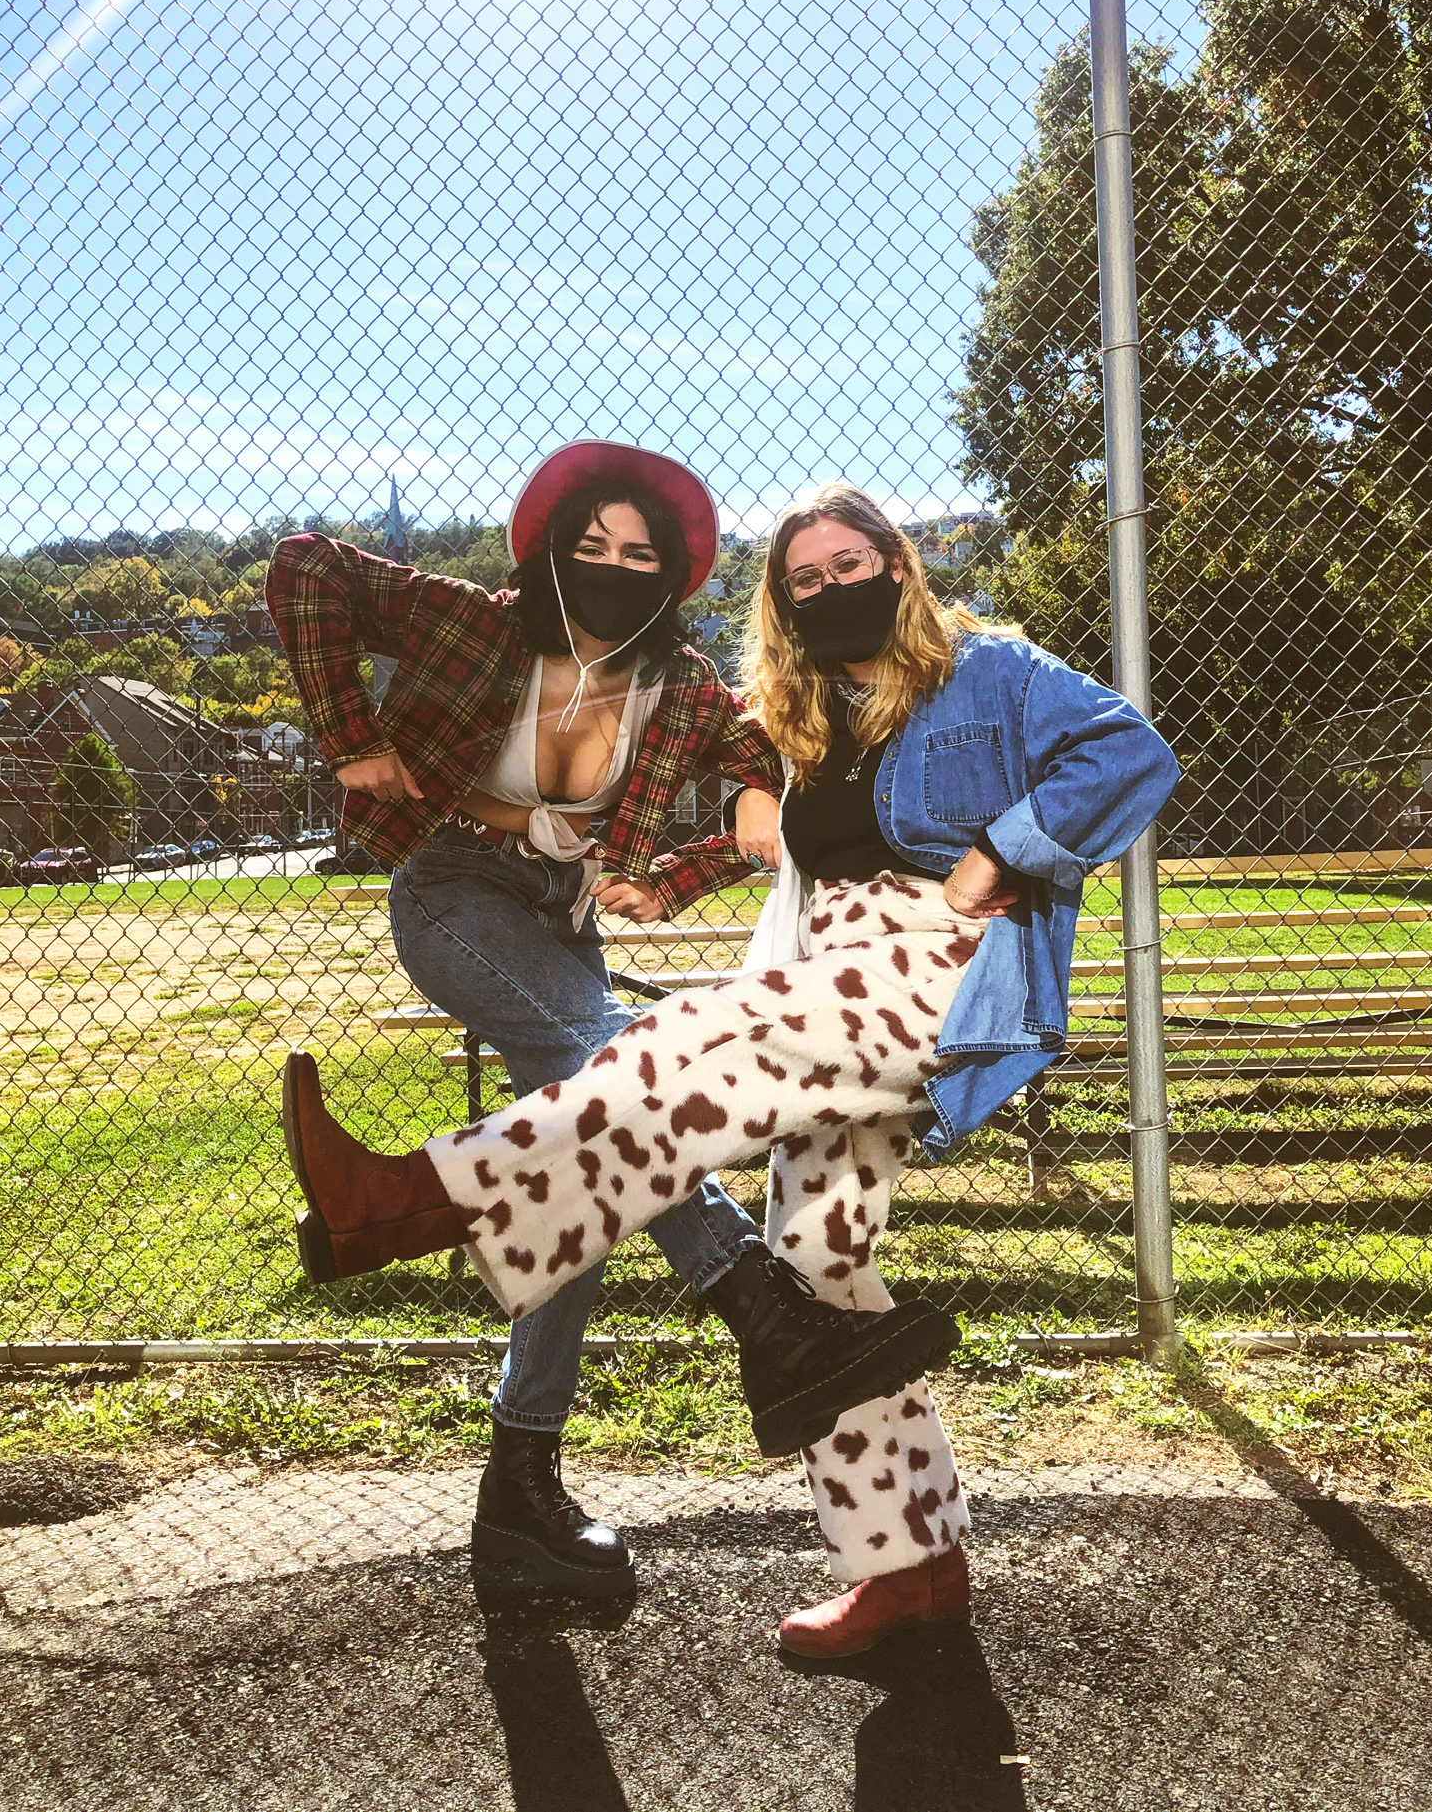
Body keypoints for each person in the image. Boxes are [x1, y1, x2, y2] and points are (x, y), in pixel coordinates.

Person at [279, 480, 1179, 1651]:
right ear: (784, 606)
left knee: (684, 1036)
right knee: (819, 1265)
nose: (831, 590)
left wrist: (996, 857)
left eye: (852, 565)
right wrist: (678, 874)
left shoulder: (992, 671)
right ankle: (907, 1567)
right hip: (828, 961)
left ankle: (415, 1200)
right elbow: (780, 831)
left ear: (899, 565)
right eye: (804, 580)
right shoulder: (808, 709)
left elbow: (1129, 751)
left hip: (933, 968)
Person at [266, 446, 960, 1598]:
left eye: (638, 554)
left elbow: (759, 749)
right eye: (591, 547)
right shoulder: (475, 624)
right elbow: (305, 570)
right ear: (551, 549)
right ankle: (764, 1316)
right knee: (616, 1074)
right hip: (452, 893)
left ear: (672, 572)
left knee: (593, 1183)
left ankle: (518, 1501)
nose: (612, 567)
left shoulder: (677, 682)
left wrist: (693, 854)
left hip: (567, 921)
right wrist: (348, 735)